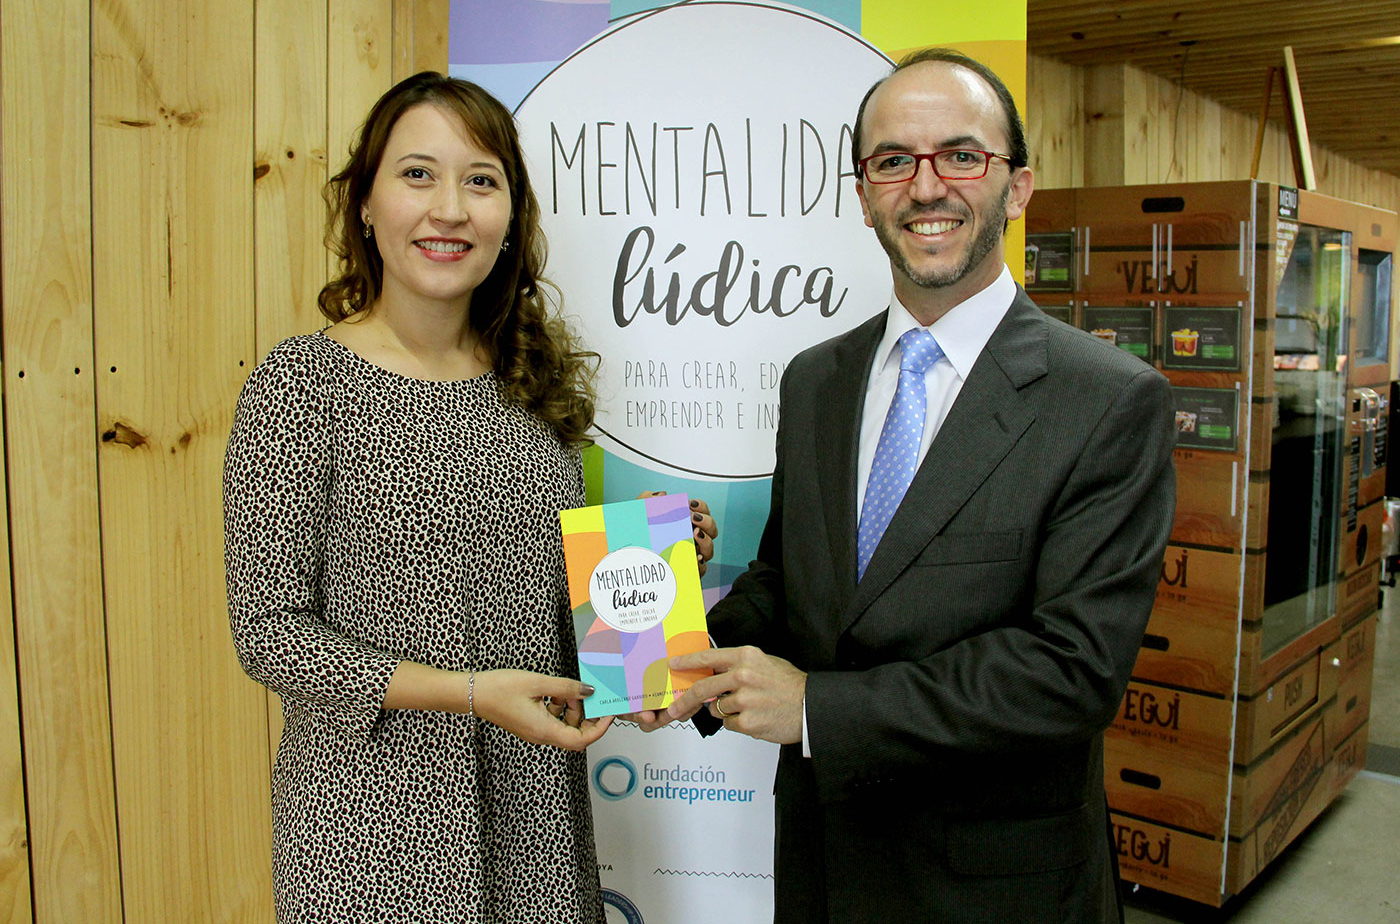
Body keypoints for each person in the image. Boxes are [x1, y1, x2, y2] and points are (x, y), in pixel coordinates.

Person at [652, 49, 1177, 923]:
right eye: (894, 160)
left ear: (1017, 187)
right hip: (824, 869)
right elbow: (790, 582)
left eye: (961, 155)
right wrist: (677, 661)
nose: (926, 187)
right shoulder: (816, 381)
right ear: (864, 195)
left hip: (995, 892)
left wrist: (817, 708)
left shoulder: (1108, 401)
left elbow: (1071, 671)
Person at [223, 71, 716, 923]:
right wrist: (469, 693)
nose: (449, 209)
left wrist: (655, 570)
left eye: (480, 181)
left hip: (534, 813)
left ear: (510, 218)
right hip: (371, 829)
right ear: (365, 204)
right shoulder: (301, 385)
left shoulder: (532, 388)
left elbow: (547, 615)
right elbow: (268, 634)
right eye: (418, 174)